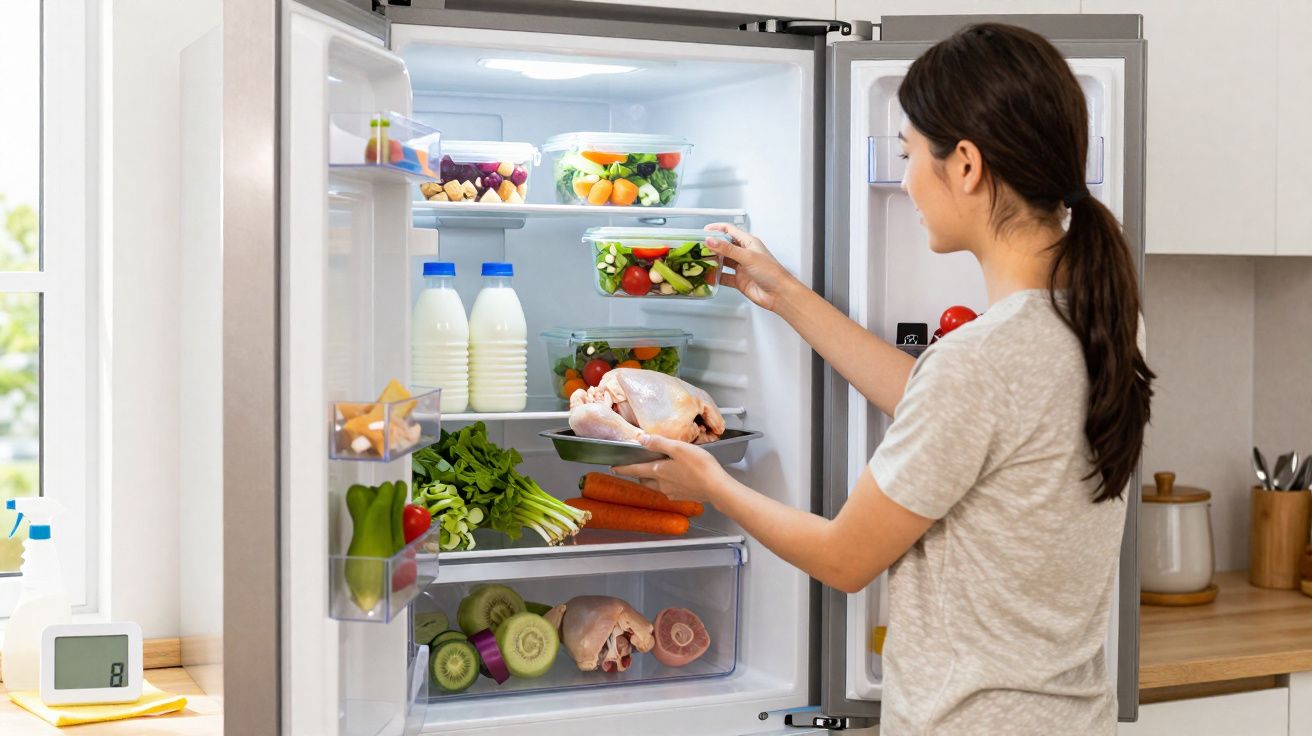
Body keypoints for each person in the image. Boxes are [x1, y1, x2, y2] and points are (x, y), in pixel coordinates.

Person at [613, 22, 1154, 735]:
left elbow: (844, 558)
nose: (905, 180)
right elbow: (944, 409)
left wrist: (710, 484)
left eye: (909, 155)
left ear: (965, 165)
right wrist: (788, 296)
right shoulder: (1104, 320)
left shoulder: (981, 364)